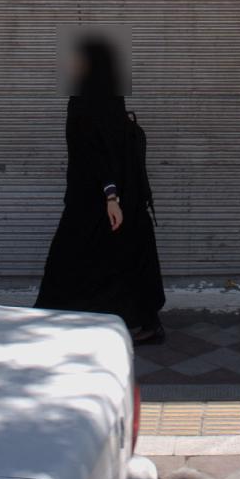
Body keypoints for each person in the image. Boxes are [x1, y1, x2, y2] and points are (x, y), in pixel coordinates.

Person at [37, 35, 165, 343]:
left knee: (71, 260)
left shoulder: (88, 101)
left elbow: (98, 152)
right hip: (108, 198)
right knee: (112, 259)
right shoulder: (105, 99)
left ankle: (51, 322)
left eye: (78, 59)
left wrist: (110, 196)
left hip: (99, 201)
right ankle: (138, 322)